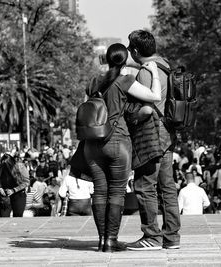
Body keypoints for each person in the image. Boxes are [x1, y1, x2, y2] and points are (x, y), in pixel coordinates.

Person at [83, 43, 162, 252]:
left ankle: (101, 240)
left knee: (99, 191)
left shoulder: (94, 82)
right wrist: (153, 73)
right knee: (116, 191)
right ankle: (111, 240)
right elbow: (155, 96)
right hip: (117, 141)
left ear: (108, 60)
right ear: (124, 59)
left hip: (92, 145)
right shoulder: (125, 80)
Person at [125, 30, 181, 251]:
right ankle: (172, 237)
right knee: (167, 187)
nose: (130, 51)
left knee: (144, 185)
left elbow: (148, 109)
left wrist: (131, 118)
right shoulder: (164, 64)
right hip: (167, 133)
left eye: (131, 48)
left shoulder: (146, 72)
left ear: (136, 51)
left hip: (151, 135)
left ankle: (152, 236)